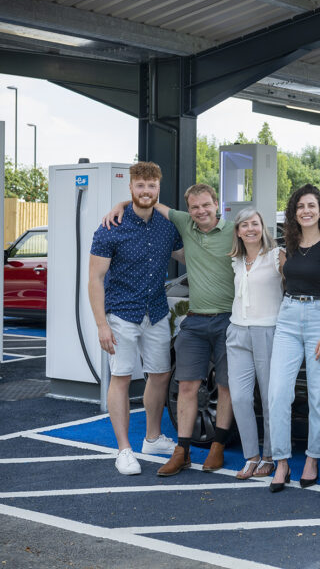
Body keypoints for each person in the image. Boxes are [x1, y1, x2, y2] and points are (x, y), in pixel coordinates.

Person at [103, 183, 237, 477]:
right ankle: (182, 451)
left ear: (217, 204)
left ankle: (217, 447)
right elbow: (147, 200)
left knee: (226, 386)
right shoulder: (183, 223)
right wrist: (122, 205)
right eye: (195, 207)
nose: (201, 211)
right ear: (188, 210)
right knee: (187, 385)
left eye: (206, 205)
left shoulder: (235, 232)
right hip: (195, 319)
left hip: (230, 319)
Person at [88, 161, 184, 475]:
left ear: (159, 187)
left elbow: (188, 254)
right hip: (122, 315)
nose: (146, 191)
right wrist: (102, 324)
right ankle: (124, 450)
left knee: (159, 374)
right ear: (131, 187)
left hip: (156, 311)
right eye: (139, 186)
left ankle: (153, 438)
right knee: (122, 377)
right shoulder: (110, 226)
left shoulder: (168, 225)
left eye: (151, 186)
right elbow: (95, 280)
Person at [268, 184, 320, 492]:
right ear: (294, 212)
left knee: (318, 396)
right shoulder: (289, 243)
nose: (306, 211)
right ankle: (282, 462)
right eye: (300, 206)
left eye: (311, 205)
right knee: (278, 394)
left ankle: (312, 459)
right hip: (288, 316)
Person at [226, 207, 283, 480]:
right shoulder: (236, 261)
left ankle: (271, 456)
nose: (250, 229)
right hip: (237, 331)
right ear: (237, 231)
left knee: (270, 398)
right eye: (244, 225)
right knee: (239, 397)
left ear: (263, 227)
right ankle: (251, 456)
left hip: (268, 331)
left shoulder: (276, 256)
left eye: (255, 223)